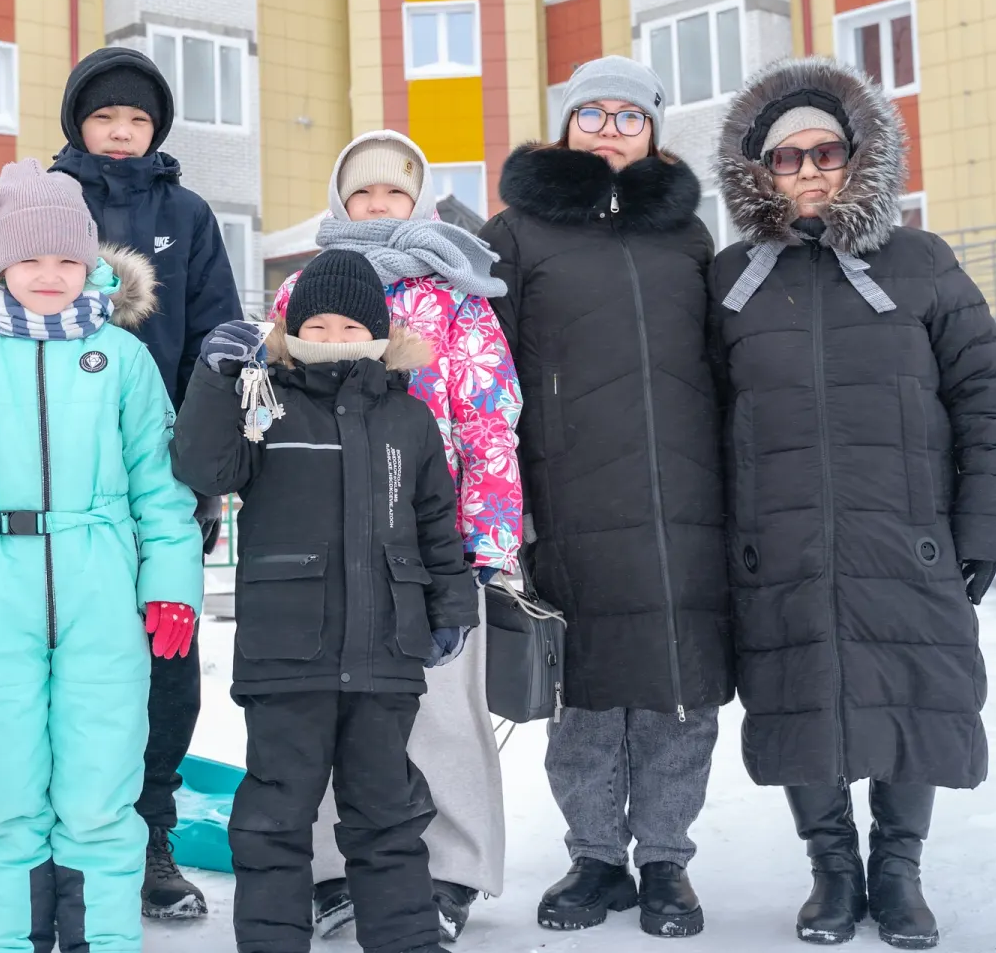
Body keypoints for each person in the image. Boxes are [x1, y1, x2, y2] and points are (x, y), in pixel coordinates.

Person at [709, 57, 996, 950]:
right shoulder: (733, 280)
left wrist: (982, 527)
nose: (807, 170)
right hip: (781, 541)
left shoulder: (919, 262)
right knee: (799, 698)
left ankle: (899, 871)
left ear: (859, 158)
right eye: (785, 158)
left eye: (825, 152)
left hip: (905, 534)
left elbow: (983, 396)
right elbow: (700, 414)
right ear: (757, 172)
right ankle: (832, 872)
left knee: (909, 694)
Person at [0, 158, 203, 953]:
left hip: (101, 587)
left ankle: (100, 939)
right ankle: (8, 941)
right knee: (1, 788)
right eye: (31, 259)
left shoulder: (123, 360)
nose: (51, 275)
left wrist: (170, 584)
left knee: (101, 786)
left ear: (92, 263)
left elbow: (161, 490)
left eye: (68, 260)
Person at [478, 55, 732, 938]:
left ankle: (666, 861)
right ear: (566, 126)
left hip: (685, 501)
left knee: (676, 689)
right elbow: (487, 376)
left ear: (655, 129)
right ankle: (594, 858)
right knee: (584, 690)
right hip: (569, 495)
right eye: (594, 114)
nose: (612, 129)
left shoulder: (690, 238)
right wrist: (507, 505)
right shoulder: (517, 233)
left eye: (631, 115)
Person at [170, 250, 482, 953]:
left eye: (350, 325)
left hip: (385, 656)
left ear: (376, 332)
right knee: (273, 819)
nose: (334, 337)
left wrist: (453, 608)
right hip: (288, 656)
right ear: (292, 327)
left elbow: (438, 523)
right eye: (319, 323)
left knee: (388, 818)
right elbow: (205, 467)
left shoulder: (411, 420)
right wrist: (215, 382)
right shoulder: (265, 400)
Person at [269, 131, 519, 942]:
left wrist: (488, 540)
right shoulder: (302, 289)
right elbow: (266, 407)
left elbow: (489, 422)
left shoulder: (457, 293)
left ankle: (451, 872)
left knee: (442, 712)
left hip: (428, 542)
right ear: (341, 202)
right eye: (363, 194)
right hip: (323, 540)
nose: (378, 207)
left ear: (421, 200)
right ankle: (337, 871)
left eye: (394, 194)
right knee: (334, 709)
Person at [49, 44, 243, 919]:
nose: (122, 134)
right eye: (105, 118)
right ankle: (65, 850)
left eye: (137, 119)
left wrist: (199, 474)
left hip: (159, 486)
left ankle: (151, 837)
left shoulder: (188, 215)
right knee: (64, 669)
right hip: (53, 486)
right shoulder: (41, 206)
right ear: (78, 126)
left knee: (166, 665)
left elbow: (218, 340)